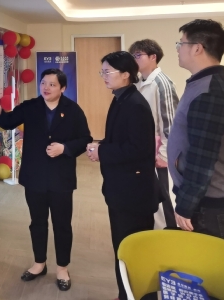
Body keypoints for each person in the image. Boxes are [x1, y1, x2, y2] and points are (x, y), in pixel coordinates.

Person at [0, 69, 92, 291]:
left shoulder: (73, 110)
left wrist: (65, 148)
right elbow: (9, 121)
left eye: (52, 84)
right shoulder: (31, 106)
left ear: (62, 88)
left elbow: (85, 139)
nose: (46, 88)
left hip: (61, 177)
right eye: (43, 83)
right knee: (37, 222)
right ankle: (39, 263)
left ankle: (62, 268)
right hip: (35, 176)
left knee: (62, 224)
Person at [86, 51, 157, 300]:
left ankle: (135, 295)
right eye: (102, 72)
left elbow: (139, 148)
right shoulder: (121, 98)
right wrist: (100, 147)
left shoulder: (135, 105)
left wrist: (103, 151)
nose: (104, 76)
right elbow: (119, 138)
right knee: (123, 247)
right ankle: (125, 293)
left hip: (133, 193)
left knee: (133, 249)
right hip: (121, 188)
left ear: (126, 74)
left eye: (108, 72)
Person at [169, 19, 224, 242]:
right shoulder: (203, 83)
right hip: (205, 198)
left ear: (197, 48)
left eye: (181, 43)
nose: (178, 49)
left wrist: (186, 205)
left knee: (211, 260)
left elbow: (203, 156)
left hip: (210, 202)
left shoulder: (210, 91)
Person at [129, 39, 179, 229]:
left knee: (163, 198)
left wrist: (164, 155)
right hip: (145, 151)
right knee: (149, 198)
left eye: (138, 55)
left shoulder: (162, 83)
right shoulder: (138, 83)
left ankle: (169, 236)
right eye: (132, 55)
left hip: (160, 153)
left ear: (153, 57)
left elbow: (171, 123)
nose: (134, 59)